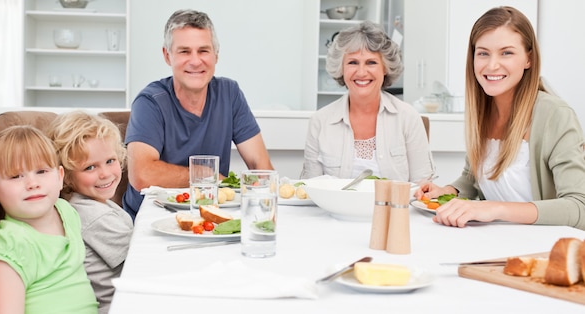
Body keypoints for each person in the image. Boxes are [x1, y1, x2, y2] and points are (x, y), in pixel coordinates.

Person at [414, 6, 585, 230]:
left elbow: (578, 207)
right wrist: (448, 191)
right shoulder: (483, 110)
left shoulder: (555, 115)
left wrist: (495, 208)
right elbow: (472, 179)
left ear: (529, 59)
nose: (492, 65)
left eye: (507, 52)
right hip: (496, 244)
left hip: (541, 251)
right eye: (483, 53)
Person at [123, 9, 273, 219]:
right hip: (153, 216)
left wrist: (264, 212)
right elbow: (142, 175)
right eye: (184, 51)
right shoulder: (150, 102)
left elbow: (261, 167)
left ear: (216, 55)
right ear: (168, 56)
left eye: (203, 51)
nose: (195, 61)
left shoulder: (230, 94)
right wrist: (209, 176)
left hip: (209, 215)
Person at [0, 125, 98, 313]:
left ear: (60, 177)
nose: (32, 184)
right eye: (16, 176)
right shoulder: (10, 241)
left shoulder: (66, 211)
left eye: (41, 171)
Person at [300, 21, 434, 182]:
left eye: (371, 62)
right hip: (333, 208)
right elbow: (310, 188)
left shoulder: (408, 117)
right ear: (341, 68)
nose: (362, 72)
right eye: (352, 62)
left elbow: (423, 187)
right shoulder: (320, 121)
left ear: (385, 68)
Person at [47, 111, 133, 314]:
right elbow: (142, 260)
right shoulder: (94, 216)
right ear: (66, 176)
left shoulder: (96, 205)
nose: (105, 173)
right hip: (119, 306)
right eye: (90, 167)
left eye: (110, 161)